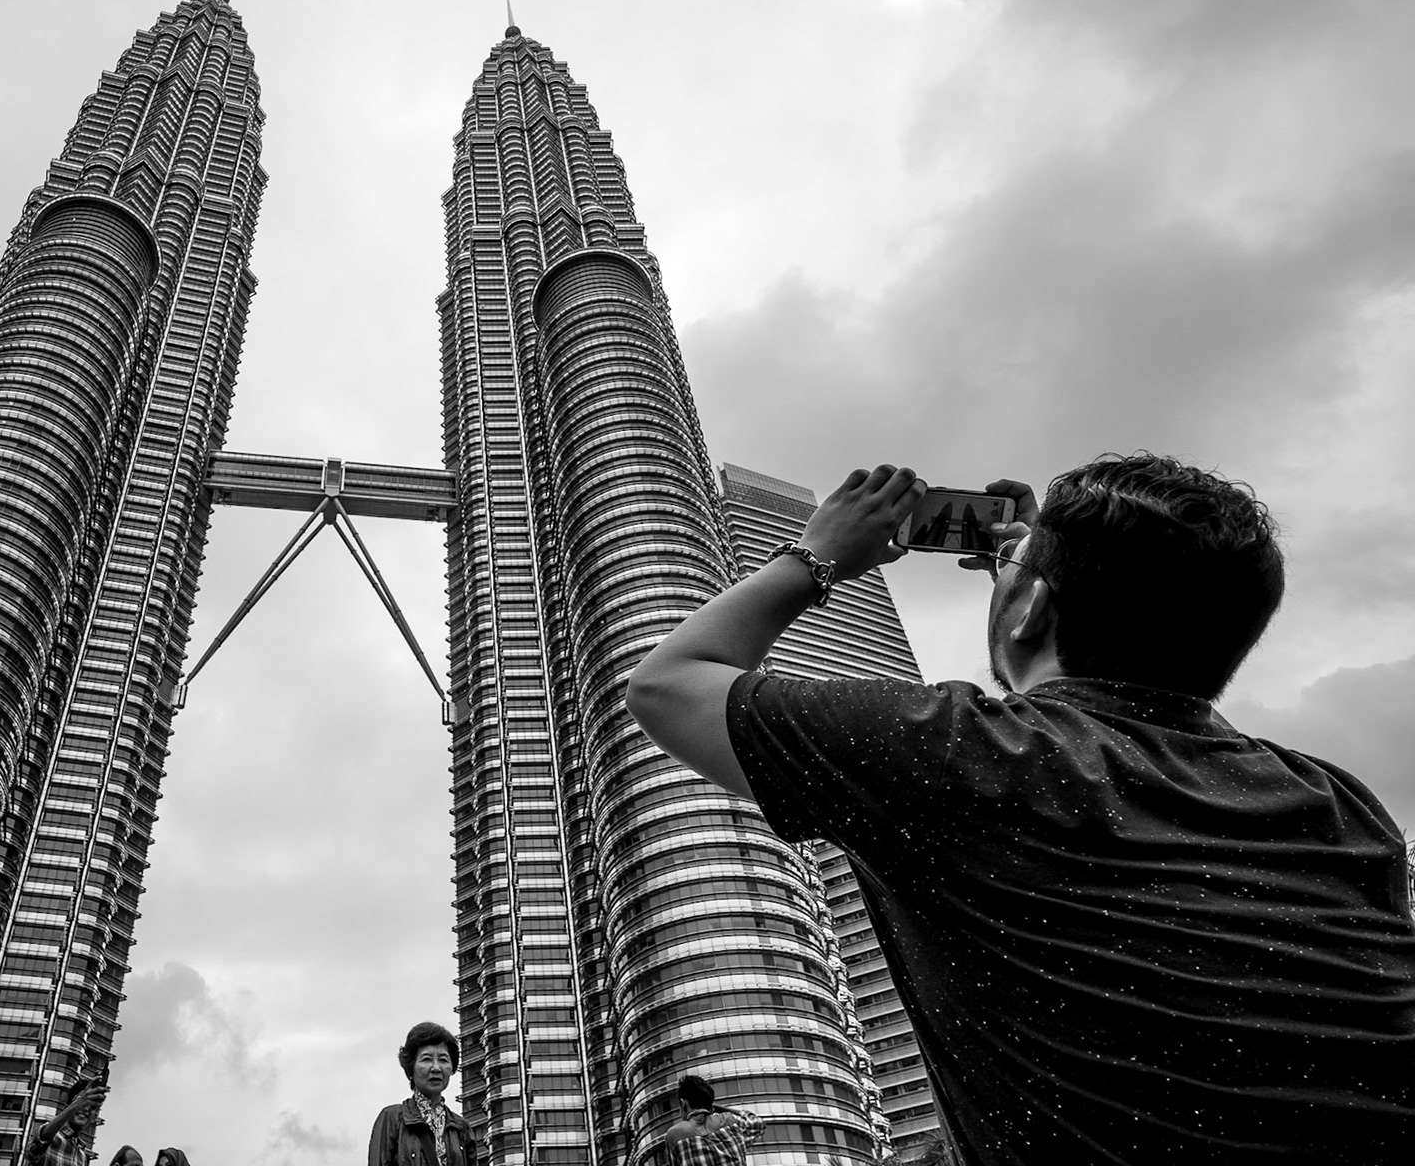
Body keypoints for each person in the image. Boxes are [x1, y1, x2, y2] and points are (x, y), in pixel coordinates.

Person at [627, 454, 1415, 1164]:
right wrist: (1031, 577)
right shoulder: (1337, 801)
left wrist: (816, 556)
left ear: (1032, 609)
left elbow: (668, 684)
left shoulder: (961, 752)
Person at [367, 1021, 472, 1166]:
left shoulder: (461, 1128)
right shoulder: (392, 1119)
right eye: (427, 1059)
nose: (436, 1068)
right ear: (411, 1069)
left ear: (452, 1068)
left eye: (443, 1060)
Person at [657, 1074, 761, 1166]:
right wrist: (720, 1108)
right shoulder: (731, 1123)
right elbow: (757, 1122)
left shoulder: (675, 1135)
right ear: (710, 1104)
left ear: (683, 1103)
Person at [24, 1074, 107, 1165]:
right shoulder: (53, 1137)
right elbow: (39, 1143)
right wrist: (76, 1105)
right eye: (82, 1102)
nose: (86, 1108)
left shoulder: (82, 1156)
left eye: (92, 1106)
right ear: (68, 1106)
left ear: (94, 1116)